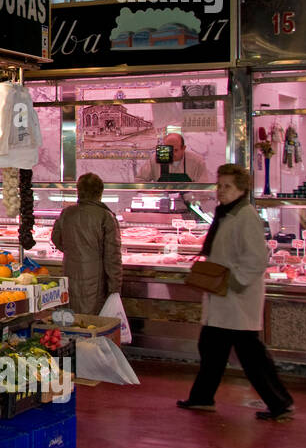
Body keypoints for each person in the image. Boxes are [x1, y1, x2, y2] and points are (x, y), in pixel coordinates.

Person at [178, 163, 295, 420]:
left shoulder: (246, 216)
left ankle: (280, 402)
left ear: (241, 189)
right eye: (219, 185)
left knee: (249, 355)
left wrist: (233, 282)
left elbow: (256, 259)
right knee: (211, 348)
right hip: (225, 297)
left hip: (236, 298)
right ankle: (202, 397)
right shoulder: (227, 213)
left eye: (227, 186)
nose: (221, 191)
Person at [50, 173, 122, 315]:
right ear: (100, 192)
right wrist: (115, 288)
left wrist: (74, 250)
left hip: (69, 273)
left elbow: (55, 238)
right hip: (95, 280)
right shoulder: (105, 216)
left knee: (71, 319)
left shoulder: (67, 213)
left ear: (79, 191)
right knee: (92, 323)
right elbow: (112, 256)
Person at [135, 132, 209, 183]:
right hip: (162, 202)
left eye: (175, 150)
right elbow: (139, 180)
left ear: (183, 148)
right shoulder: (154, 159)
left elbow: (204, 188)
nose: (171, 154)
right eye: (168, 149)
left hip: (189, 203)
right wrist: (153, 192)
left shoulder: (196, 161)